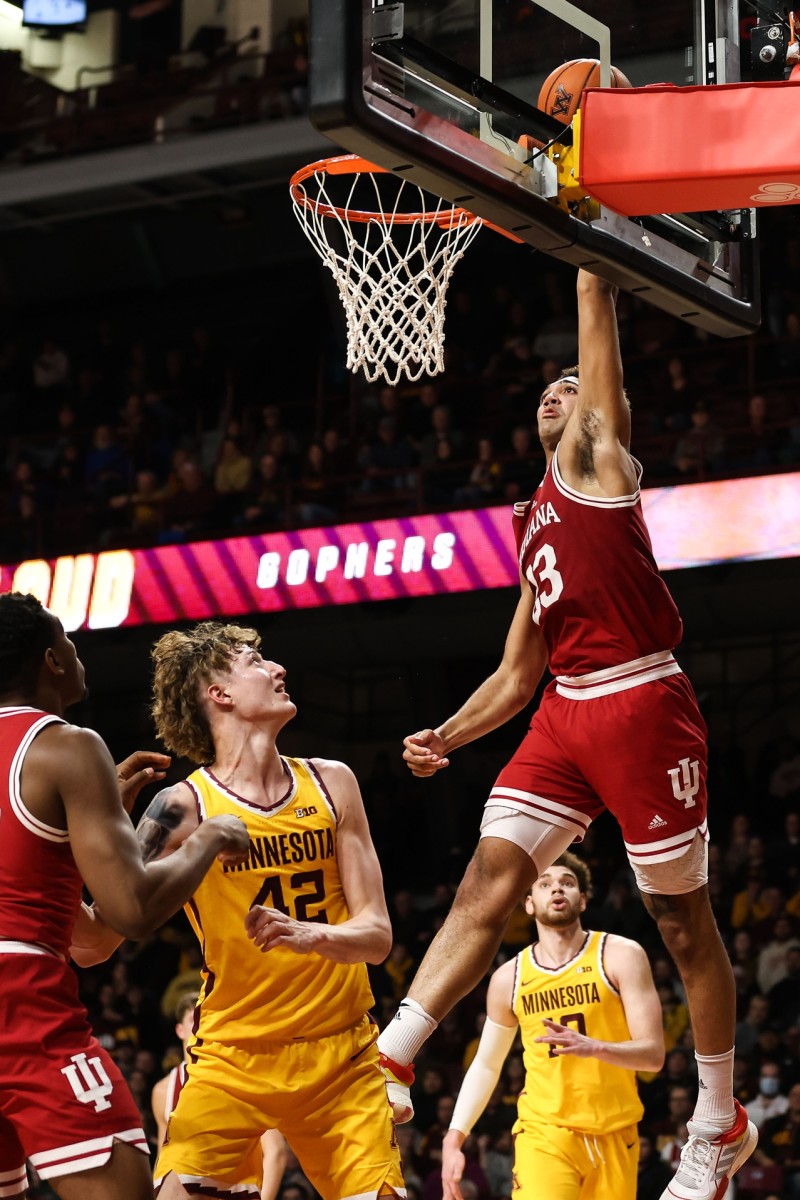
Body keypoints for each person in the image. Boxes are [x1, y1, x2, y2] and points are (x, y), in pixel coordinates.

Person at [378, 269, 758, 1200]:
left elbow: (598, 330)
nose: (558, 392)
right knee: (486, 877)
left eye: (570, 386)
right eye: (542, 392)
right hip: (565, 709)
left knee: (678, 917)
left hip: (639, 702)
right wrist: (448, 735)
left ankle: (720, 1119)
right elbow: (517, 672)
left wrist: (587, 252)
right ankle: (390, 1054)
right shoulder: (532, 521)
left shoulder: (599, 467)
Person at [97, 619, 404, 1200]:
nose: (278, 668)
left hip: (342, 1054)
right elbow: (95, 940)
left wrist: (307, 935)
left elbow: (377, 935)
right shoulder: (182, 807)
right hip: (234, 1055)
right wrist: (91, 835)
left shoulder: (333, 782)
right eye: (255, 661)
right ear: (220, 694)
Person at [0, 591, 250, 1200]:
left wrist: (93, 832)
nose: (77, 651)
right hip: (20, 1003)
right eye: (69, 640)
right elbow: (132, 911)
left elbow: (85, 941)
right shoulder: (66, 746)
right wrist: (207, 837)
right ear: (52, 660)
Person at [441, 854, 664, 1200]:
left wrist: (597, 1047)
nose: (557, 887)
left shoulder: (620, 955)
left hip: (616, 1131)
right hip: (545, 1132)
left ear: (583, 900)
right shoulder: (509, 978)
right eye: (545, 883)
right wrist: (455, 1136)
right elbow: (487, 1064)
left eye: (567, 882)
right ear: (529, 904)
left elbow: (652, 1055)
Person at [152, 992, 289, 1200]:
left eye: (204, 1016)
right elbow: (163, 1159)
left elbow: (275, 1152)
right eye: (193, 1019)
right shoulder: (164, 1090)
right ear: (179, 1030)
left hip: (237, 1190)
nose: (200, 1024)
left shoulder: (240, 1074)